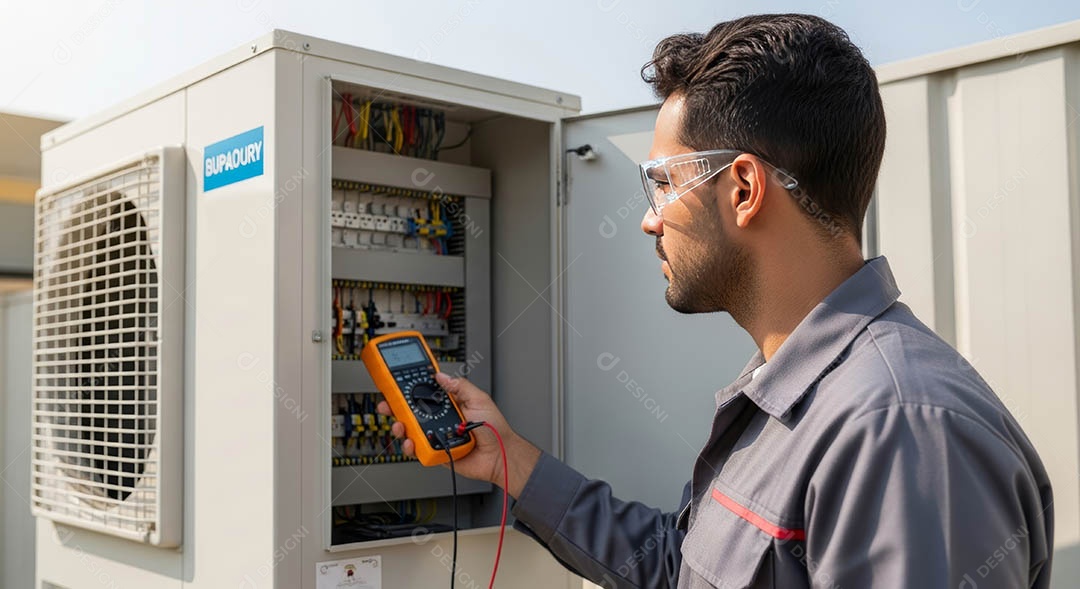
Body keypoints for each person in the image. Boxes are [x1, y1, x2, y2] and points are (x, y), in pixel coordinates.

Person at [379, 13, 1054, 588]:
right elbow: (679, 567)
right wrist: (508, 460)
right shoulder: (784, 395)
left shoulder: (903, 431)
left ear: (743, 189)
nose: (650, 219)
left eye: (662, 184)